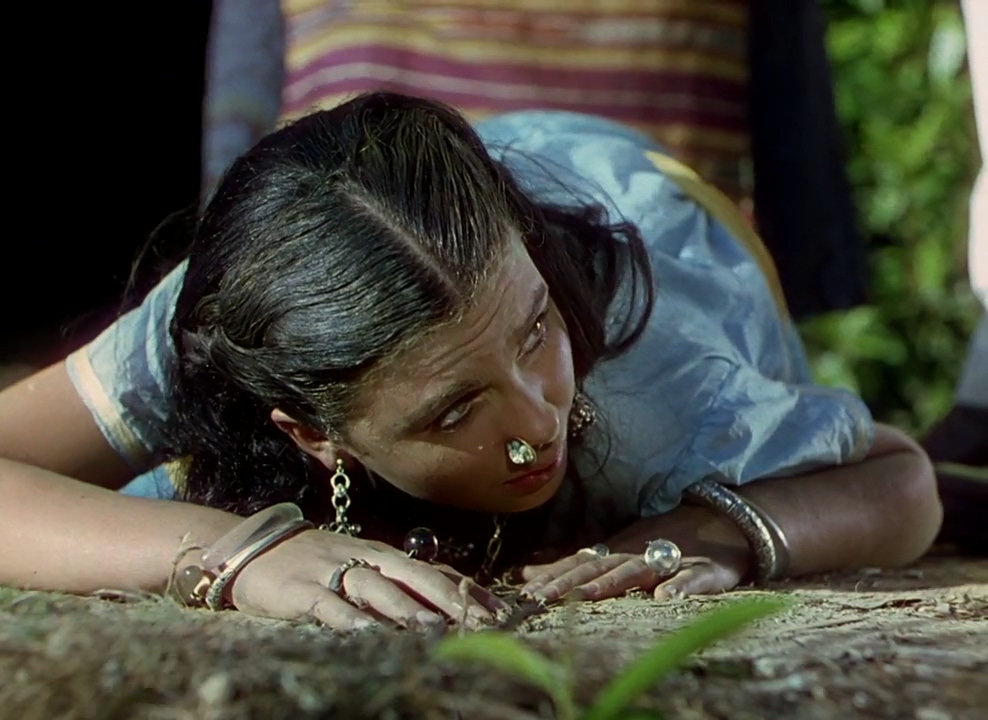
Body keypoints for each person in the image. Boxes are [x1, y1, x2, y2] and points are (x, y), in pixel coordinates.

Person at [0, 94, 941, 631]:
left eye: (534, 335)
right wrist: (233, 552)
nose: (536, 417)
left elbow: (905, 484)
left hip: (624, 206)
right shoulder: (234, 327)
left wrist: (721, 530)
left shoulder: (652, 390)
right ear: (312, 434)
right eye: (454, 412)